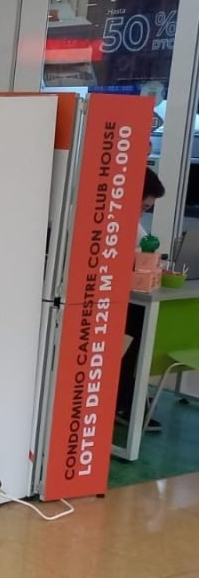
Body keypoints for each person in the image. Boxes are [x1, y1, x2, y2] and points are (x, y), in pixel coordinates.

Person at [117, 168, 168, 430]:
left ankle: (128, 396)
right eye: (145, 206)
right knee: (137, 326)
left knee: (141, 323)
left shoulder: (131, 223)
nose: (144, 212)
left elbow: (142, 251)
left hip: (120, 298)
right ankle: (125, 398)